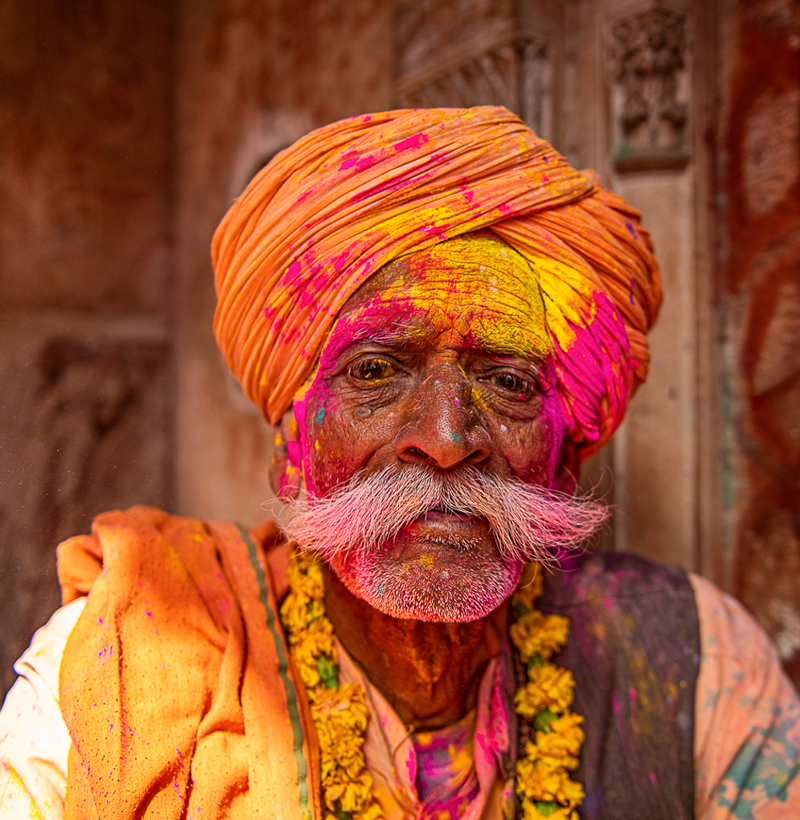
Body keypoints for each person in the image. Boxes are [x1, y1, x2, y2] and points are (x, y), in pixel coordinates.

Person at [1, 106, 798, 820]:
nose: (447, 439)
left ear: (564, 455)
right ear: (291, 445)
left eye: (508, 381)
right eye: (377, 372)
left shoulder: (695, 659)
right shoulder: (109, 667)